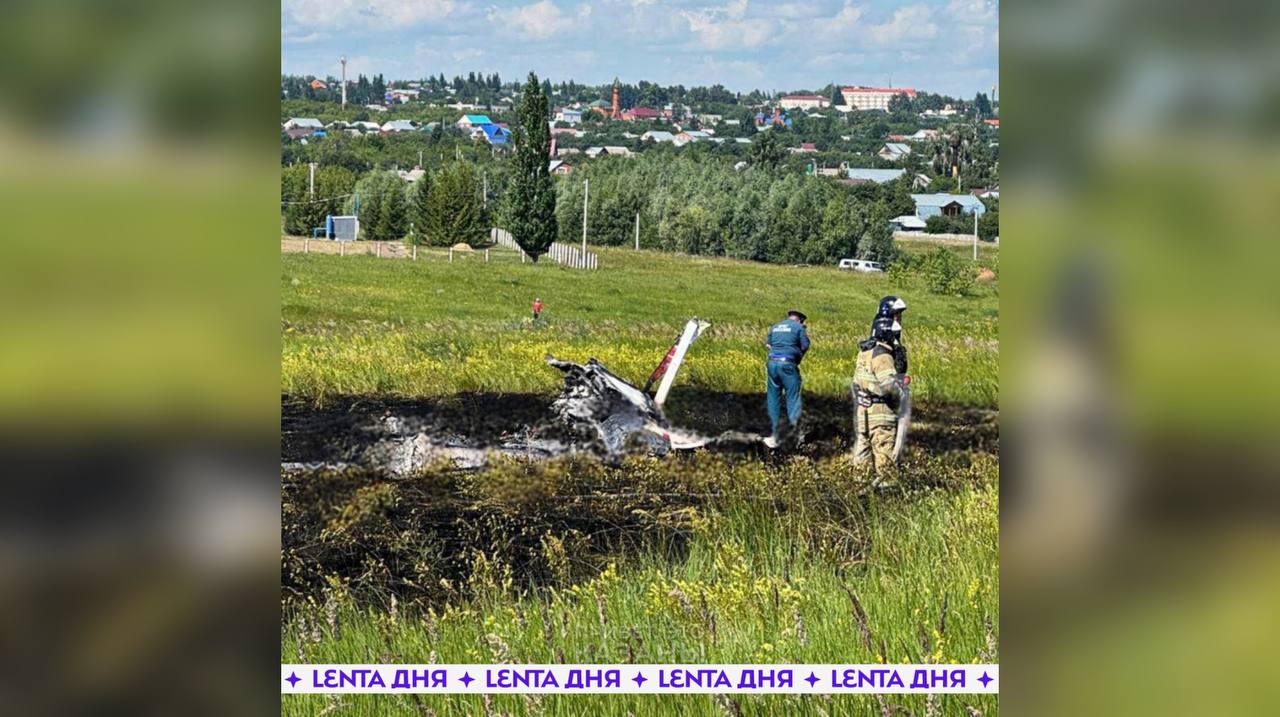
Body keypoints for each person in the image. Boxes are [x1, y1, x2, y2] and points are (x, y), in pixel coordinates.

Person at [853, 315, 908, 481]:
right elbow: (889, 385)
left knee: (862, 457)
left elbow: (857, 382)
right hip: (881, 415)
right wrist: (902, 393)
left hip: (864, 414)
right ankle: (886, 497)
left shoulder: (864, 353)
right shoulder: (882, 355)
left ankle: (859, 491)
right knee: (885, 459)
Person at [764, 309, 810, 448]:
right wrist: (798, 356)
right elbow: (806, 345)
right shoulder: (798, 328)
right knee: (793, 397)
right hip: (788, 365)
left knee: (773, 398)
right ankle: (794, 434)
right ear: (799, 320)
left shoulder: (775, 326)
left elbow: (768, 344)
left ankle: (774, 434)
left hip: (772, 364)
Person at [876, 295, 909, 373]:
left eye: (900, 313)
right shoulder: (883, 334)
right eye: (896, 313)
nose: (899, 316)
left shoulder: (894, 334)